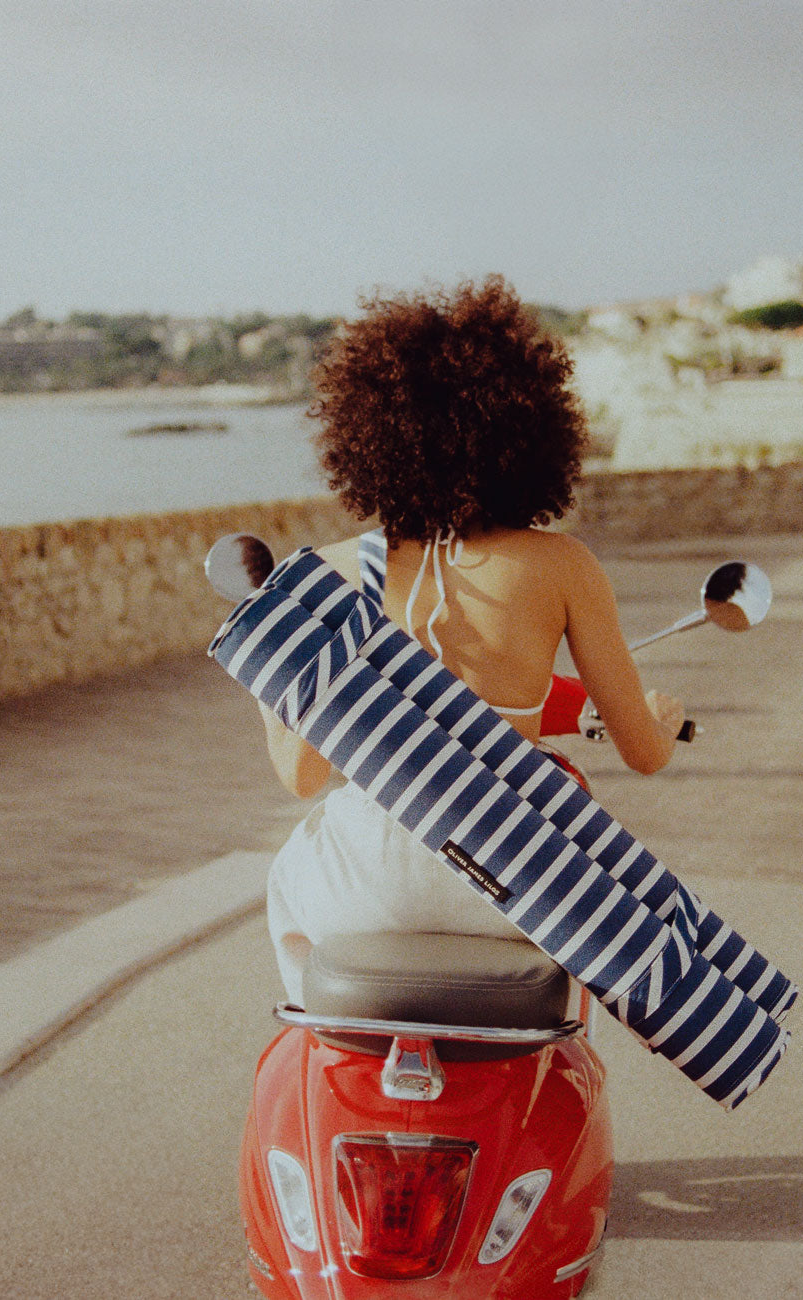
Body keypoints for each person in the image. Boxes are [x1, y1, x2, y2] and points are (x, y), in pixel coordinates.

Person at [260, 276, 685, 1002]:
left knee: (286, 882)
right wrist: (665, 720)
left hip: (367, 881)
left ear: (366, 437)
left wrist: (276, 692)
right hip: (519, 878)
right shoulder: (561, 565)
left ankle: (328, 1039)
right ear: (529, 431)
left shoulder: (324, 573)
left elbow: (301, 777)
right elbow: (641, 753)